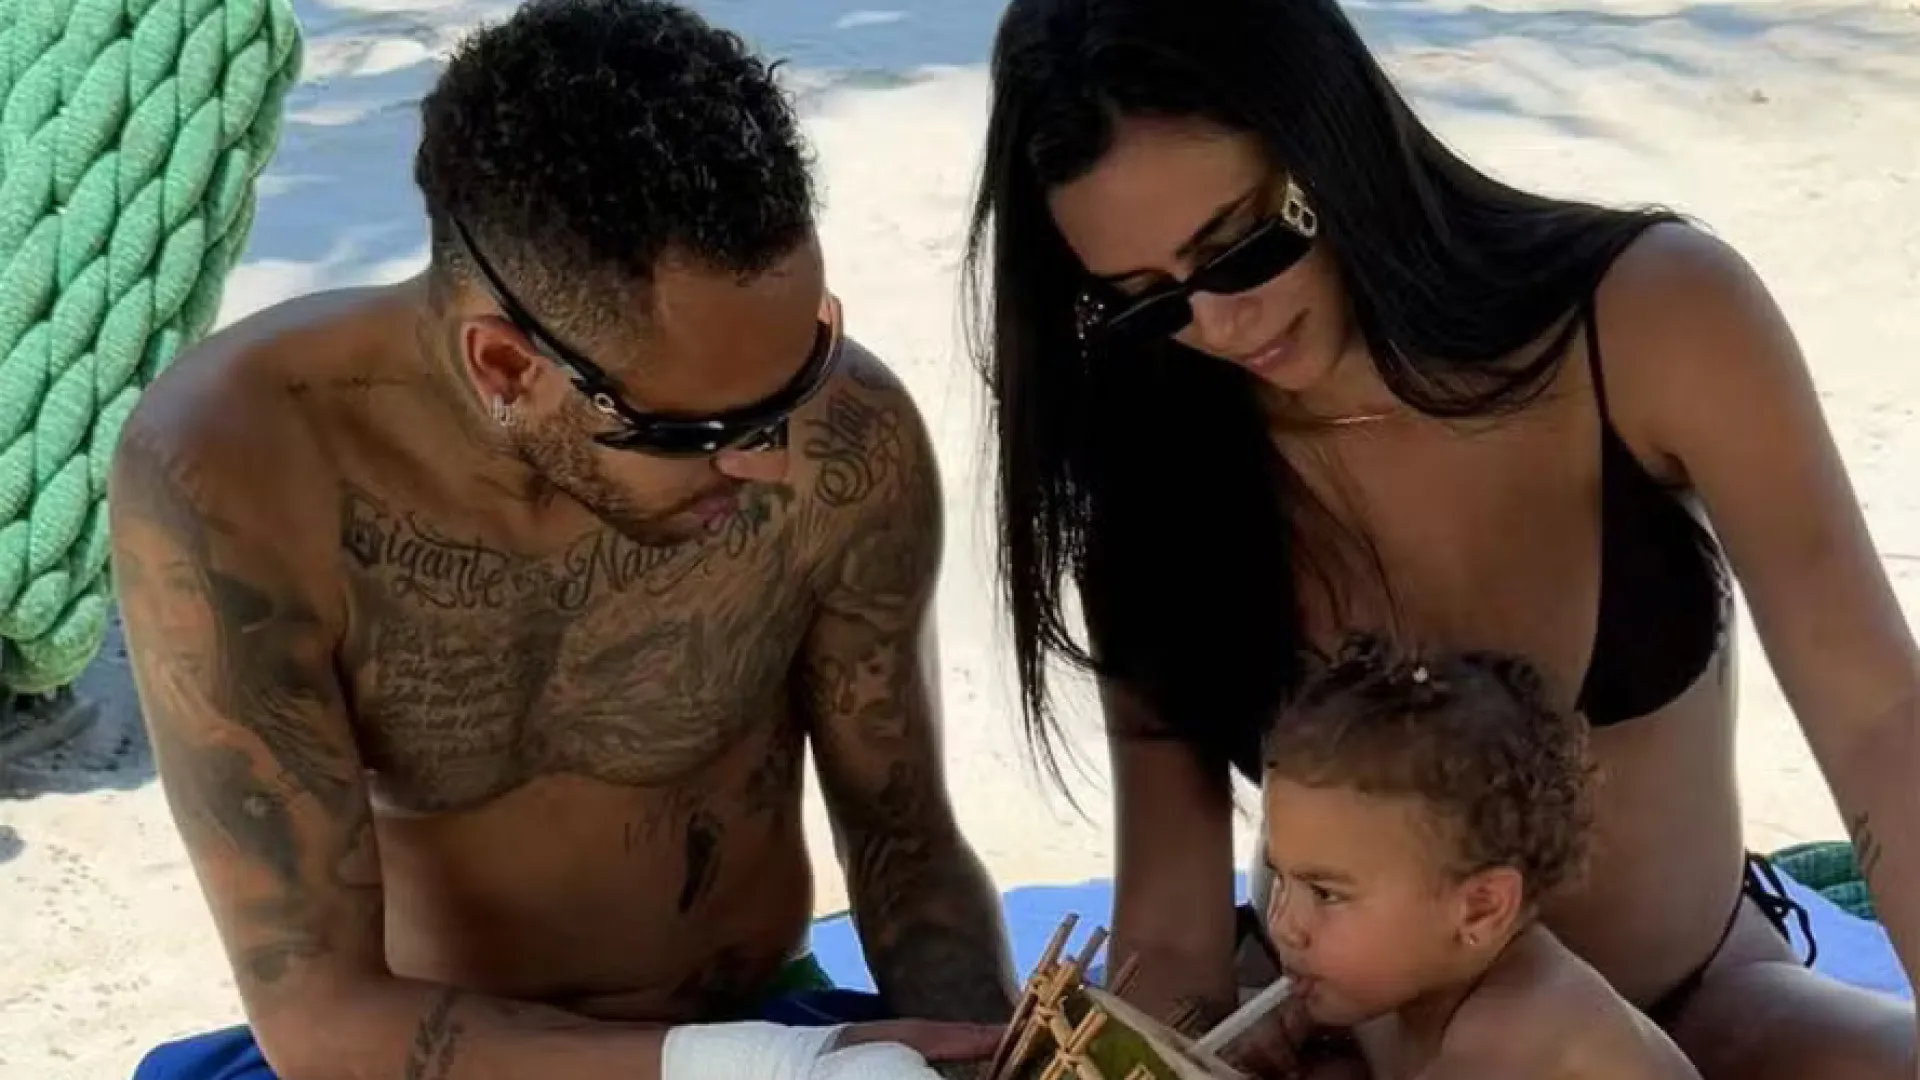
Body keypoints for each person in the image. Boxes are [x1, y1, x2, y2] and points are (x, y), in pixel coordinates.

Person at [961, 0, 1920, 1077]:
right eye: (1145, 301)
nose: (1220, 325)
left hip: (1694, 1007)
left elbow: (1879, 720)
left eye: (1238, 250)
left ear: (1333, 140)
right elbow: (1173, 941)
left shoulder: (1648, 317)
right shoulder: (1154, 457)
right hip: (1351, 1042)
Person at [111, 2, 1014, 1078]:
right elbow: (322, 1016)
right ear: (506, 366)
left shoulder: (849, 436)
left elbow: (908, 853)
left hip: (771, 1024)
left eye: (803, 372)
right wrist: (745, 1073)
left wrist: (991, 1060)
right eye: (703, 433)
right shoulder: (239, 467)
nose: (776, 459)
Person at [1257, 635, 1698, 1080]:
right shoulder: (1391, 980)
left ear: (1480, 908)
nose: (1284, 925)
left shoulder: (1520, 1029)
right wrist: (1301, 1034)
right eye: (1278, 877)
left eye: (1325, 893)